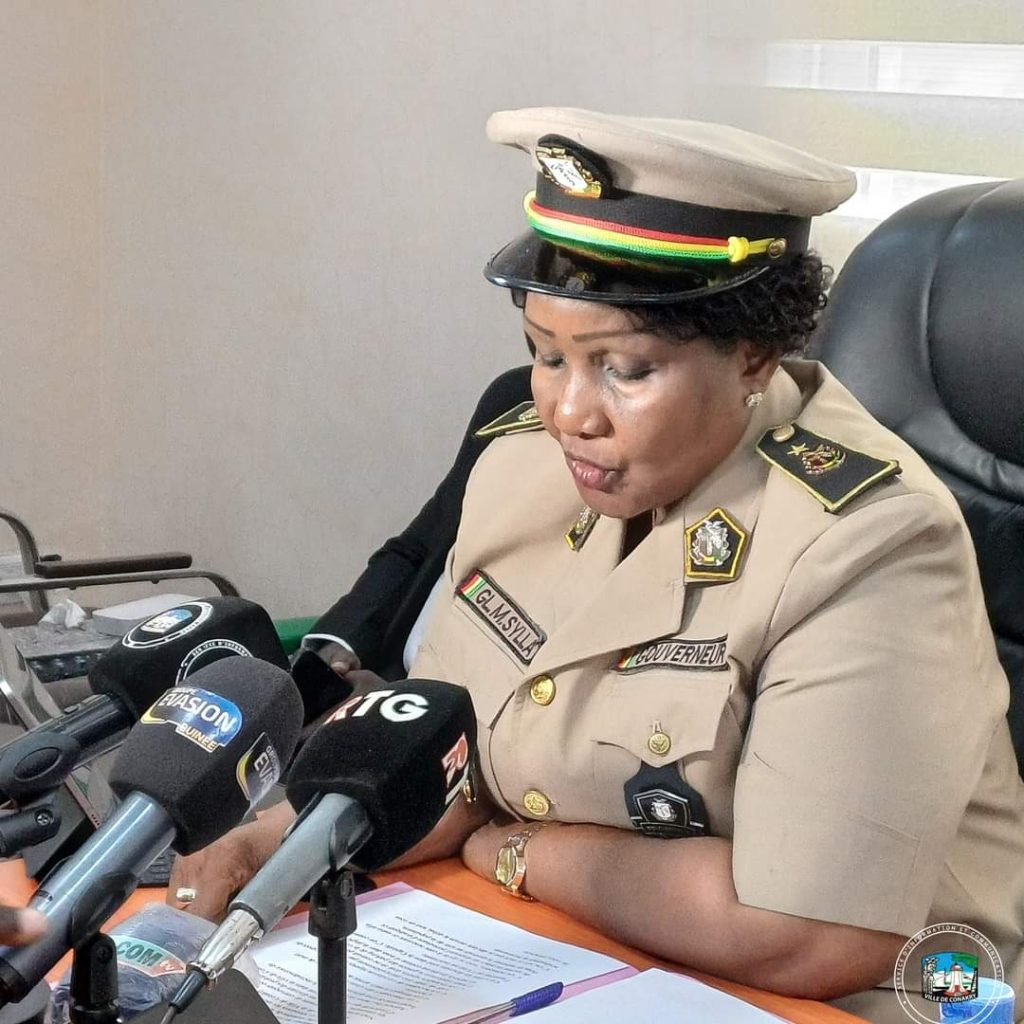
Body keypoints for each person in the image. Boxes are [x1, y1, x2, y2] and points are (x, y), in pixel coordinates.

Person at [170, 108, 1024, 1023]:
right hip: (574, 955)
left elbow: (805, 933)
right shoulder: (520, 472)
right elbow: (449, 764)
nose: (570, 413)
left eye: (624, 368)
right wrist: (280, 846)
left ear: (753, 354)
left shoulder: (869, 540)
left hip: (864, 1000)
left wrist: (520, 853)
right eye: (545, 355)